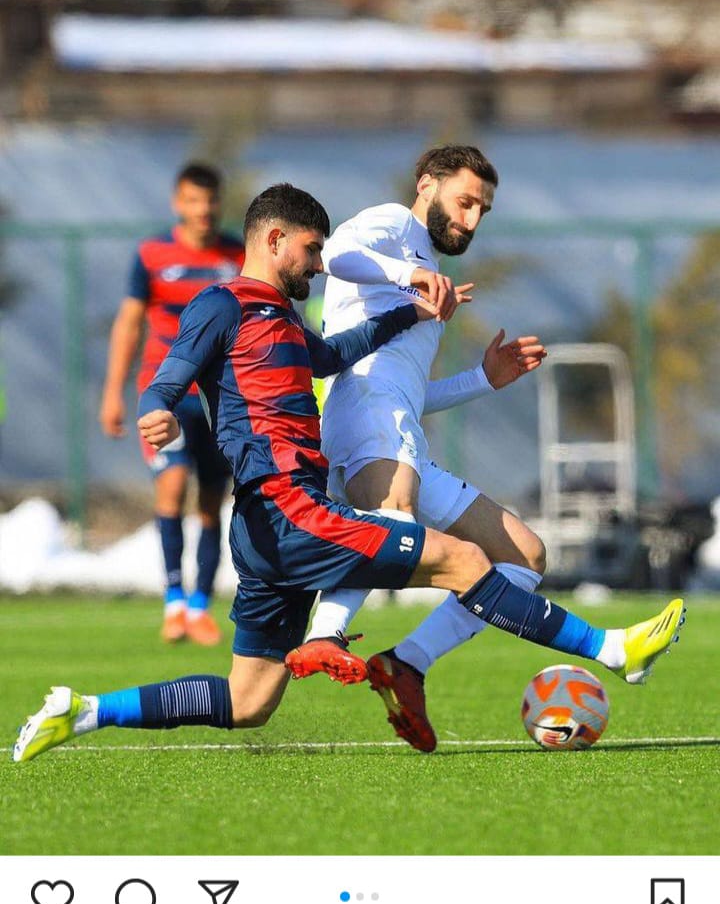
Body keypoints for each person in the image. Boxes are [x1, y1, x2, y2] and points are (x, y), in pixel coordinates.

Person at [13, 183, 684, 765]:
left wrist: (409, 314)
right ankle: (611, 649)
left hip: (270, 523)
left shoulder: (280, 316)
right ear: (274, 240)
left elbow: (334, 355)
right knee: (463, 559)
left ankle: (85, 711)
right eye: (311, 251)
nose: (318, 265)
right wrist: (156, 411)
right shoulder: (223, 304)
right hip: (289, 509)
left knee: (249, 702)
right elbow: (168, 378)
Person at [295, 143, 682, 751]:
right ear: (427, 184)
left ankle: (406, 663)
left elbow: (412, 392)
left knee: (523, 555)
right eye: (465, 201)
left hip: (396, 423)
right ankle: (326, 634)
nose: (472, 219)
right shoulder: (392, 226)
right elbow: (336, 255)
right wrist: (410, 276)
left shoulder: (426, 270)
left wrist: (482, 379)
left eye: (482, 210)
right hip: (365, 412)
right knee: (393, 520)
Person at [99, 163, 244, 646]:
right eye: (193, 200)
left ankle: (200, 606)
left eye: (210, 199)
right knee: (173, 483)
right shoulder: (152, 255)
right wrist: (113, 392)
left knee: (211, 503)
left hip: (219, 399)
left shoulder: (238, 256)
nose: (203, 209)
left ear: (219, 202)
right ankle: (173, 602)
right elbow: (129, 323)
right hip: (167, 395)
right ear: (177, 203)